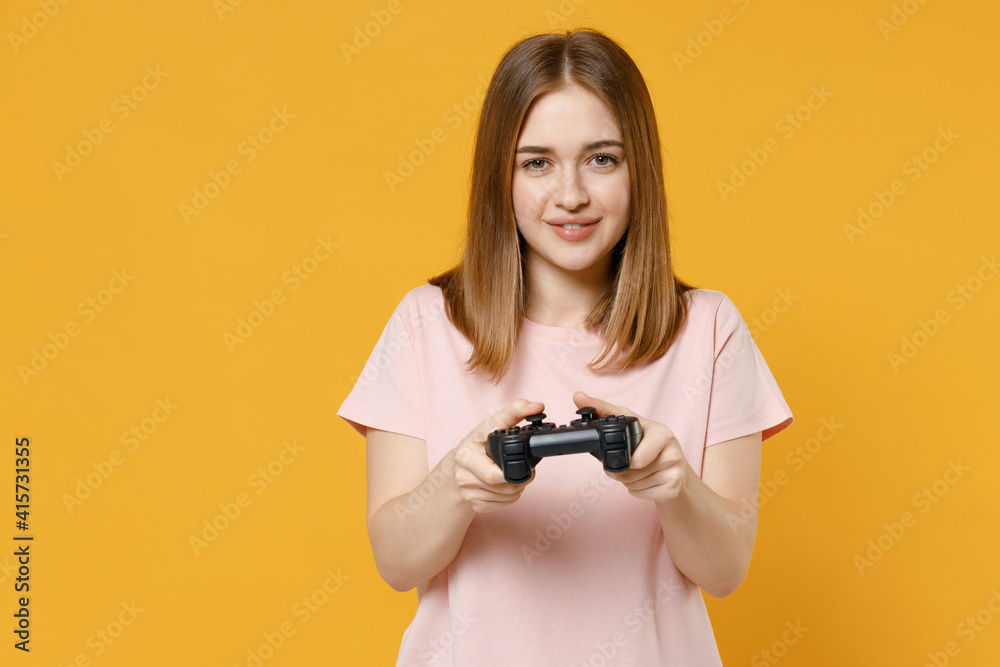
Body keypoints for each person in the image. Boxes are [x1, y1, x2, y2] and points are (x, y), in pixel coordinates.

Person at [339, 28, 793, 666]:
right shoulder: (425, 323)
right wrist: (458, 485)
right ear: (501, 175)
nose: (572, 193)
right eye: (537, 162)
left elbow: (724, 571)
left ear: (641, 168)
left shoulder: (709, 329)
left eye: (602, 159)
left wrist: (674, 485)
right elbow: (396, 560)